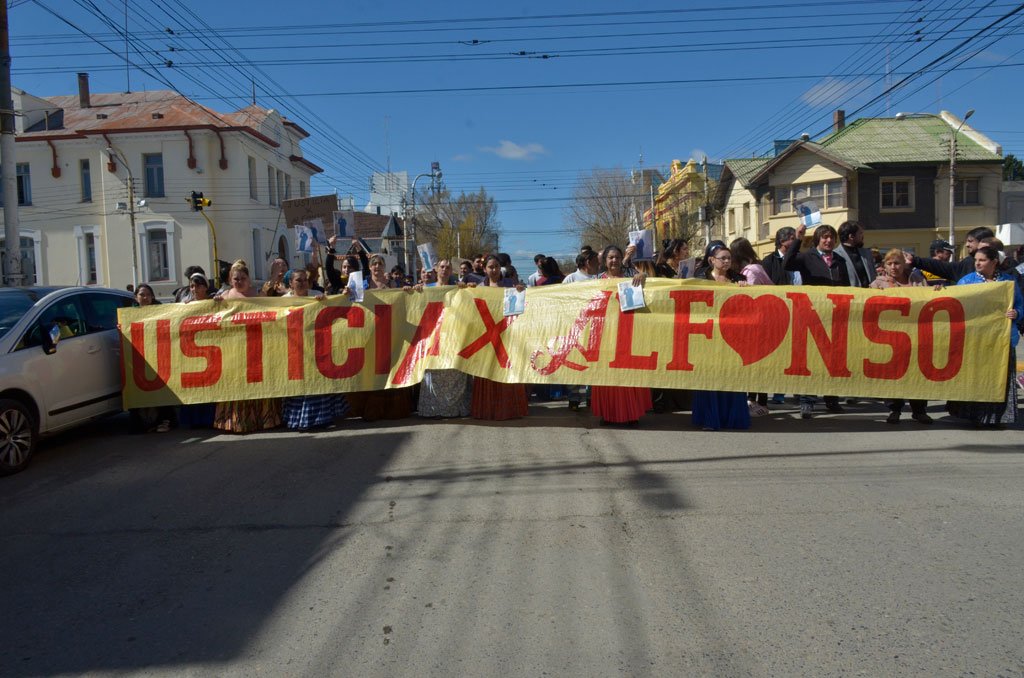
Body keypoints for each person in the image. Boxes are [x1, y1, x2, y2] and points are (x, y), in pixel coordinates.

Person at [946, 244, 1023, 428]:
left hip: (1002, 339)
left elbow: (1020, 305)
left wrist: (1017, 313)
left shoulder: (1008, 282)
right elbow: (955, 306)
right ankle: (977, 417)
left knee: (1000, 378)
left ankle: (998, 417)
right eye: (976, 260)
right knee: (978, 377)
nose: (977, 264)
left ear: (994, 262)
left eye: (982, 260)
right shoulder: (966, 281)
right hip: (976, 339)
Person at [784, 223, 850, 418]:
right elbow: (787, 263)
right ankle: (807, 401)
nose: (828, 240)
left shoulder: (839, 260)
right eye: (825, 237)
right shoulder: (807, 257)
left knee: (833, 361)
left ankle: (832, 399)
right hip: (813, 316)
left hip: (835, 317)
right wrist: (798, 239)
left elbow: (846, 286)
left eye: (831, 237)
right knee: (811, 360)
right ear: (818, 240)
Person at [212, 260, 283, 433]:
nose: (239, 281)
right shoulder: (226, 296)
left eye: (242, 278)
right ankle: (235, 421)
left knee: (257, 380)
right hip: (233, 348)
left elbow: (270, 305)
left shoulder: (257, 294)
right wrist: (215, 302)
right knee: (236, 382)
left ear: (248, 279)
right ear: (230, 280)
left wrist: (274, 276)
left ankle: (263, 418)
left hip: (255, 345)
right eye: (236, 278)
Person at [689, 243, 752, 431]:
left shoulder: (739, 279)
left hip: (731, 336)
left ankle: (732, 418)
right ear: (711, 260)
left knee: (731, 375)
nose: (726, 261)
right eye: (722, 258)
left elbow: (748, 306)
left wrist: (745, 289)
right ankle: (710, 418)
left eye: (729, 258)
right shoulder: (700, 279)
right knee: (710, 377)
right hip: (708, 336)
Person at [589, 245, 652, 426]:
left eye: (617, 257)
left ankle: (632, 414)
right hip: (606, 334)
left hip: (629, 332)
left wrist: (643, 276)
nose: (614, 260)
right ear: (604, 261)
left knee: (629, 374)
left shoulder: (631, 275)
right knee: (607, 376)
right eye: (610, 257)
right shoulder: (597, 280)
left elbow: (651, 282)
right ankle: (608, 414)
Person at [280, 269, 349, 430]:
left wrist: (325, 301)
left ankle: (323, 417)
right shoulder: (283, 301)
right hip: (295, 348)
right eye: (299, 280)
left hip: (316, 346)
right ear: (290, 283)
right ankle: (299, 419)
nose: (303, 283)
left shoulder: (315, 294)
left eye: (305, 279)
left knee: (318, 382)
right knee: (299, 385)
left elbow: (331, 308)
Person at [869, 249, 933, 425]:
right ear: (884, 265)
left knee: (917, 373)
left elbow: (929, 300)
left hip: (917, 336)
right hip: (891, 337)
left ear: (904, 264)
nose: (893, 267)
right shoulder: (878, 284)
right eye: (889, 263)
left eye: (897, 263)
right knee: (894, 374)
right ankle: (894, 410)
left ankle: (919, 410)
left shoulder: (918, 280)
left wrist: (937, 292)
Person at [470, 255, 530, 420]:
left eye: (496, 266)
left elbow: (519, 312)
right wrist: (465, 289)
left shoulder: (510, 286)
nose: (494, 270)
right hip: (487, 337)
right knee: (487, 371)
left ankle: (511, 409)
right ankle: (487, 409)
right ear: (485, 269)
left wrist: (521, 292)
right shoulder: (478, 287)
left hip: (507, 336)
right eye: (490, 267)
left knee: (507, 369)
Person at [417, 260, 473, 419]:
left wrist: (468, 290)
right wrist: (413, 292)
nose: (444, 269)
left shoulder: (458, 289)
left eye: (448, 267)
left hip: (452, 338)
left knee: (452, 371)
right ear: (435, 269)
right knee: (434, 373)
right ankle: (433, 409)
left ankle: (454, 409)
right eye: (442, 266)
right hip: (433, 339)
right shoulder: (426, 289)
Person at [129, 283, 177, 433]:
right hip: (138, 358)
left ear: (153, 297)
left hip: (158, 356)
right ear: (136, 297)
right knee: (139, 389)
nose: (145, 297)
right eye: (142, 295)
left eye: (148, 295)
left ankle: (165, 420)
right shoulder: (128, 315)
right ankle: (142, 424)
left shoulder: (160, 312)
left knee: (161, 389)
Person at [907, 226, 995, 284]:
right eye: (976, 261)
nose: (967, 245)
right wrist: (915, 260)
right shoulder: (966, 265)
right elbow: (941, 267)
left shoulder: (1006, 266)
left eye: (971, 241)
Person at [837, 220, 875, 288]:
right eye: (860, 233)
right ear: (851, 236)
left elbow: (874, 276)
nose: (862, 236)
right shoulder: (836, 255)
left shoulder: (867, 253)